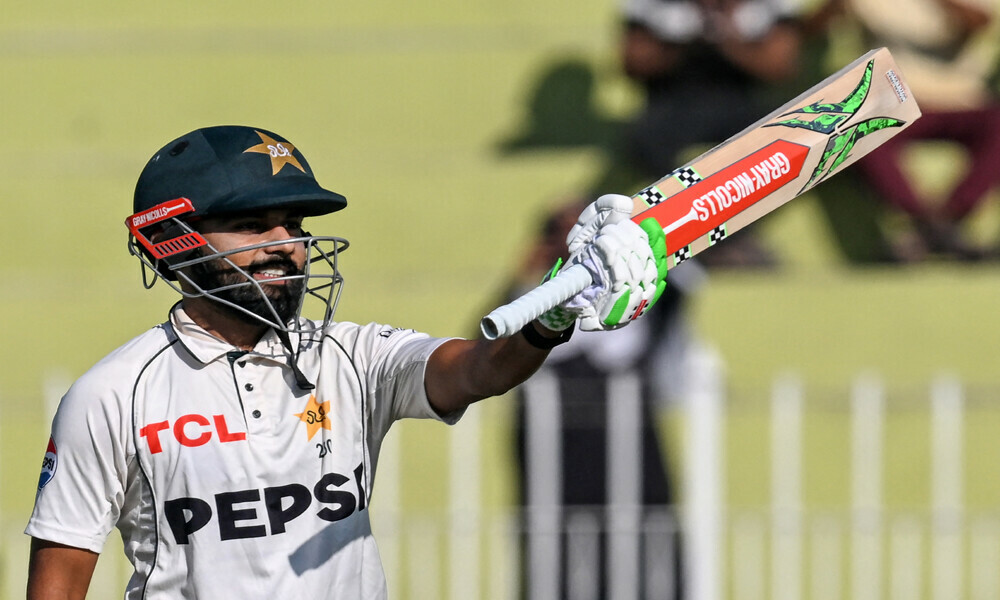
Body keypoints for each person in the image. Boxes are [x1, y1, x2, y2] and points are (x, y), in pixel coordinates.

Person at [23, 125, 669, 599]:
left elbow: (478, 370)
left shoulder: (351, 356)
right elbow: (58, 580)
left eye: (294, 223)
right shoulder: (113, 393)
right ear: (171, 240)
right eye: (254, 226)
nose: (288, 246)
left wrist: (552, 315)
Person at [504, 198, 699, 599]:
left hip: (637, 459)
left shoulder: (657, 299)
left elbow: (675, 377)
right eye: (564, 232)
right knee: (558, 568)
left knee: (650, 564)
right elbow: (487, 350)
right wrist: (530, 272)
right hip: (556, 468)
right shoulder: (526, 304)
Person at [592, 0, 805, 267]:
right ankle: (685, 239)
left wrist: (726, 34)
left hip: (740, 103)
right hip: (671, 105)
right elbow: (633, 62)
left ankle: (723, 240)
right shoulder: (652, 6)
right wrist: (688, 34)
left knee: (792, 139)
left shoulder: (769, 6)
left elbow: (780, 66)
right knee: (645, 141)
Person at [837, 0, 1000, 260]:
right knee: (862, 127)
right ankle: (928, 223)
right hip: (895, 100)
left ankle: (945, 221)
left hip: (962, 98)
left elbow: (980, 22)